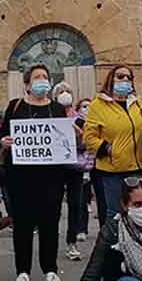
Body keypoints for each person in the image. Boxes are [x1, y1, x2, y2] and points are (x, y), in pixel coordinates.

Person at [0, 64, 67, 281]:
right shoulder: (15, 107)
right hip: (21, 178)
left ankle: (50, 270)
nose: (42, 81)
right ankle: (23, 272)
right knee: (23, 226)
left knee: (50, 224)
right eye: (37, 77)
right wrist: (4, 143)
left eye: (45, 77)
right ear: (27, 84)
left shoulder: (58, 109)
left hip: (51, 178)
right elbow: (2, 137)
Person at [83, 65, 142, 223]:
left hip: (139, 168)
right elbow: (89, 136)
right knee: (115, 214)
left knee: (139, 212)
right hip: (113, 171)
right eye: (120, 76)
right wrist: (107, 148)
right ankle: (112, 247)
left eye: (129, 77)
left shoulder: (138, 103)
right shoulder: (97, 105)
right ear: (111, 79)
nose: (125, 80)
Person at [52, 81, 84, 260]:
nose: (65, 94)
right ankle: (52, 242)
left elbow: (85, 144)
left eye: (67, 91)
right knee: (53, 205)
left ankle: (72, 242)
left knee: (75, 204)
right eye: (61, 91)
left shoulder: (80, 118)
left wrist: (79, 135)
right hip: (56, 167)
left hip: (74, 167)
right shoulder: (51, 116)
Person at [74, 98, 96, 246]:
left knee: (87, 199)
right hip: (79, 165)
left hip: (95, 165)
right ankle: (79, 229)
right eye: (84, 106)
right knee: (80, 200)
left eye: (89, 106)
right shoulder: (77, 122)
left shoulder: (96, 122)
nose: (86, 108)